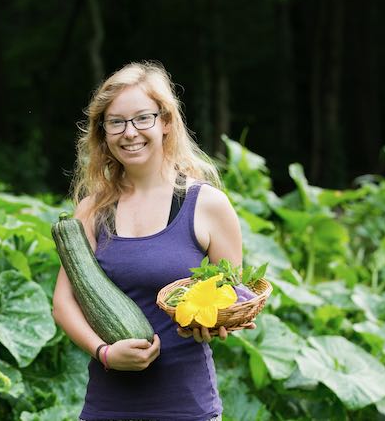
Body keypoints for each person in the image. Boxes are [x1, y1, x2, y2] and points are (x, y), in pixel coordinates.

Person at [52, 60, 250, 421]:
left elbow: (230, 294)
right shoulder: (91, 211)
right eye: (116, 122)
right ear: (103, 133)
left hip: (187, 408)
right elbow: (63, 304)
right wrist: (105, 353)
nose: (130, 132)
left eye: (143, 117)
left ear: (166, 122)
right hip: (107, 408)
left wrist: (219, 320)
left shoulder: (207, 205)